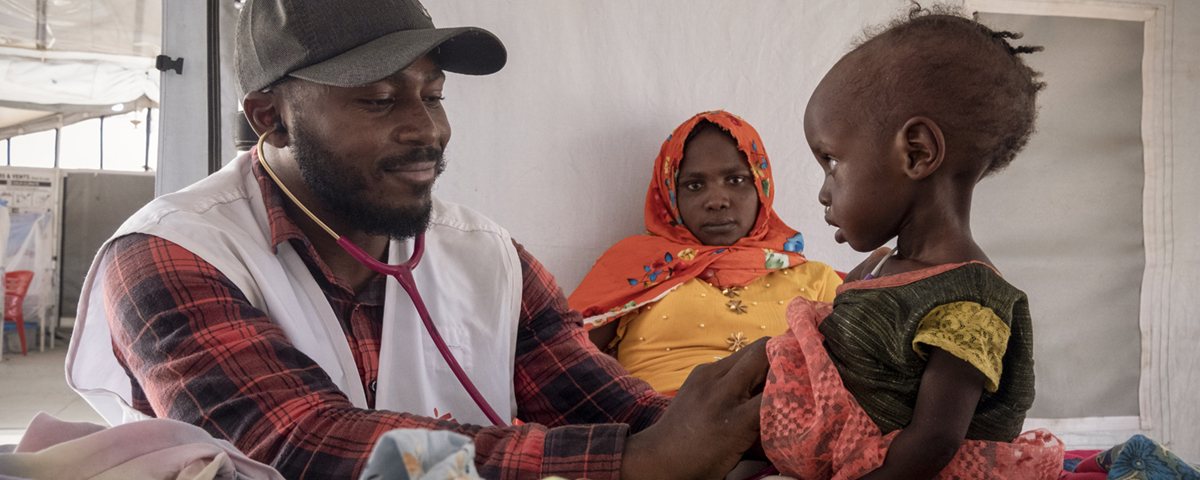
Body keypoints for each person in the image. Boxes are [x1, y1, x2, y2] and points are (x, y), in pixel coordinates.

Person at [64, 1, 768, 479]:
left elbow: (611, 406)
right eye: (378, 100)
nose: (427, 130)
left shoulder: (487, 256)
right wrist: (632, 461)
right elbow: (296, 445)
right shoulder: (172, 253)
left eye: (432, 94)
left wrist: (765, 435)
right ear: (270, 118)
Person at [758, 7, 1066, 479]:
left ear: (917, 152)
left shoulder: (969, 303)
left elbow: (934, 440)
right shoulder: (880, 270)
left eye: (832, 161)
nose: (824, 191)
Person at [569, 111, 842, 394]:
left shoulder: (816, 280)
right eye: (694, 185)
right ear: (670, 193)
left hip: (786, 428)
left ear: (761, 185)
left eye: (735, 180)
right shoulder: (636, 267)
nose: (716, 200)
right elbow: (556, 363)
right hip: (659, 430)